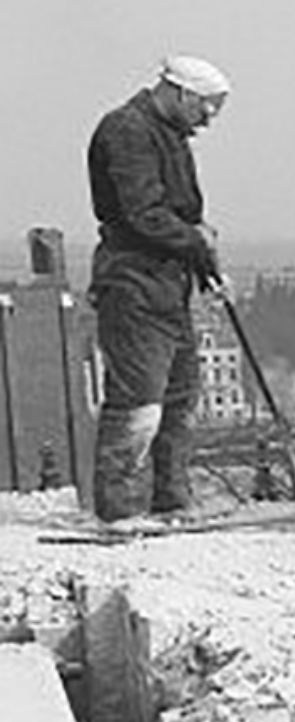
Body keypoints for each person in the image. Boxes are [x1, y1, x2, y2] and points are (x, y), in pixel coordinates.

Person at [86, 55, 230, 522]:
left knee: (179, 397)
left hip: (168, 283)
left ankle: (171, 500)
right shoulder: (126, 130)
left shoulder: (169, 135)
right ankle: (120, 509)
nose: (209, 118)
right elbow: (143, 214)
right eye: (207, 106)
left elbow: (180, 217)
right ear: (183, 93)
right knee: (139, 401)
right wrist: (197, 241)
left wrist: (205, 261)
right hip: (133, 281)